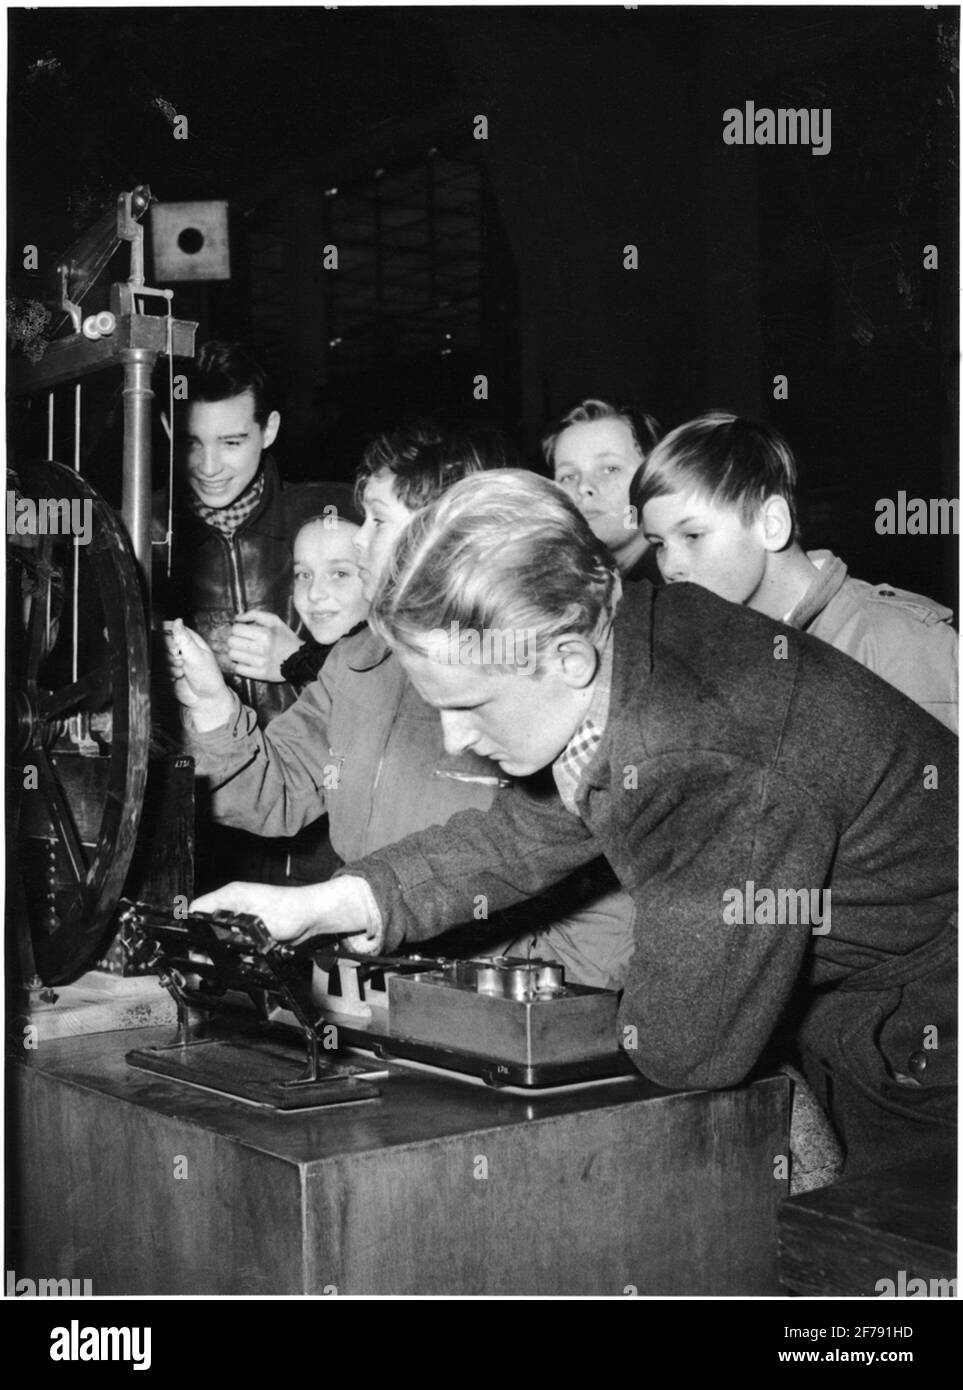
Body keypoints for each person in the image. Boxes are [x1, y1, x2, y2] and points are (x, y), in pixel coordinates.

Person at [193, 470, 957, 1179]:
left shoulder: (706, 759)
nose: (455, 741)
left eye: (469, 706)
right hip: (864, 997)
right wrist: (327, 903)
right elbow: (519, 836)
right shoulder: (629, 635)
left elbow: (690, 1048)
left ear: (566, 660)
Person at [169, 430, 637, 988]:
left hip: (494, 988)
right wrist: (213, 707)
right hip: (368, 968)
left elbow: (585, 858)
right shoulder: (357, 661)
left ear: (444, 528)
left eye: (377, 520)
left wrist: (539, 984)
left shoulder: (529, 669)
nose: (360, 539)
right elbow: (278, 790)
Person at [635, 412, 958, 731]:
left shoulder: (895, 643)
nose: (670, 567)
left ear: (771, 524)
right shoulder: (709, 653)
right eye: (658, 544)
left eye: (693, 535)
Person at [152, 339, 357, 725]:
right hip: (198, 775)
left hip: (323, 774)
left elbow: (410, 662)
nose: (209, 467)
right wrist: (138, 662)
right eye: (190, 442)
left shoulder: (340, 515)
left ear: (269, 430)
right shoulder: (132, 533)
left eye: (231, 442)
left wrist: (304, 661)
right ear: (166, 427)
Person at [543, 397, 662, 581]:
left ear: (652, 479)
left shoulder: (677, 595)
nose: (583, 487)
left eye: (610, 469)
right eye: (568, 476)